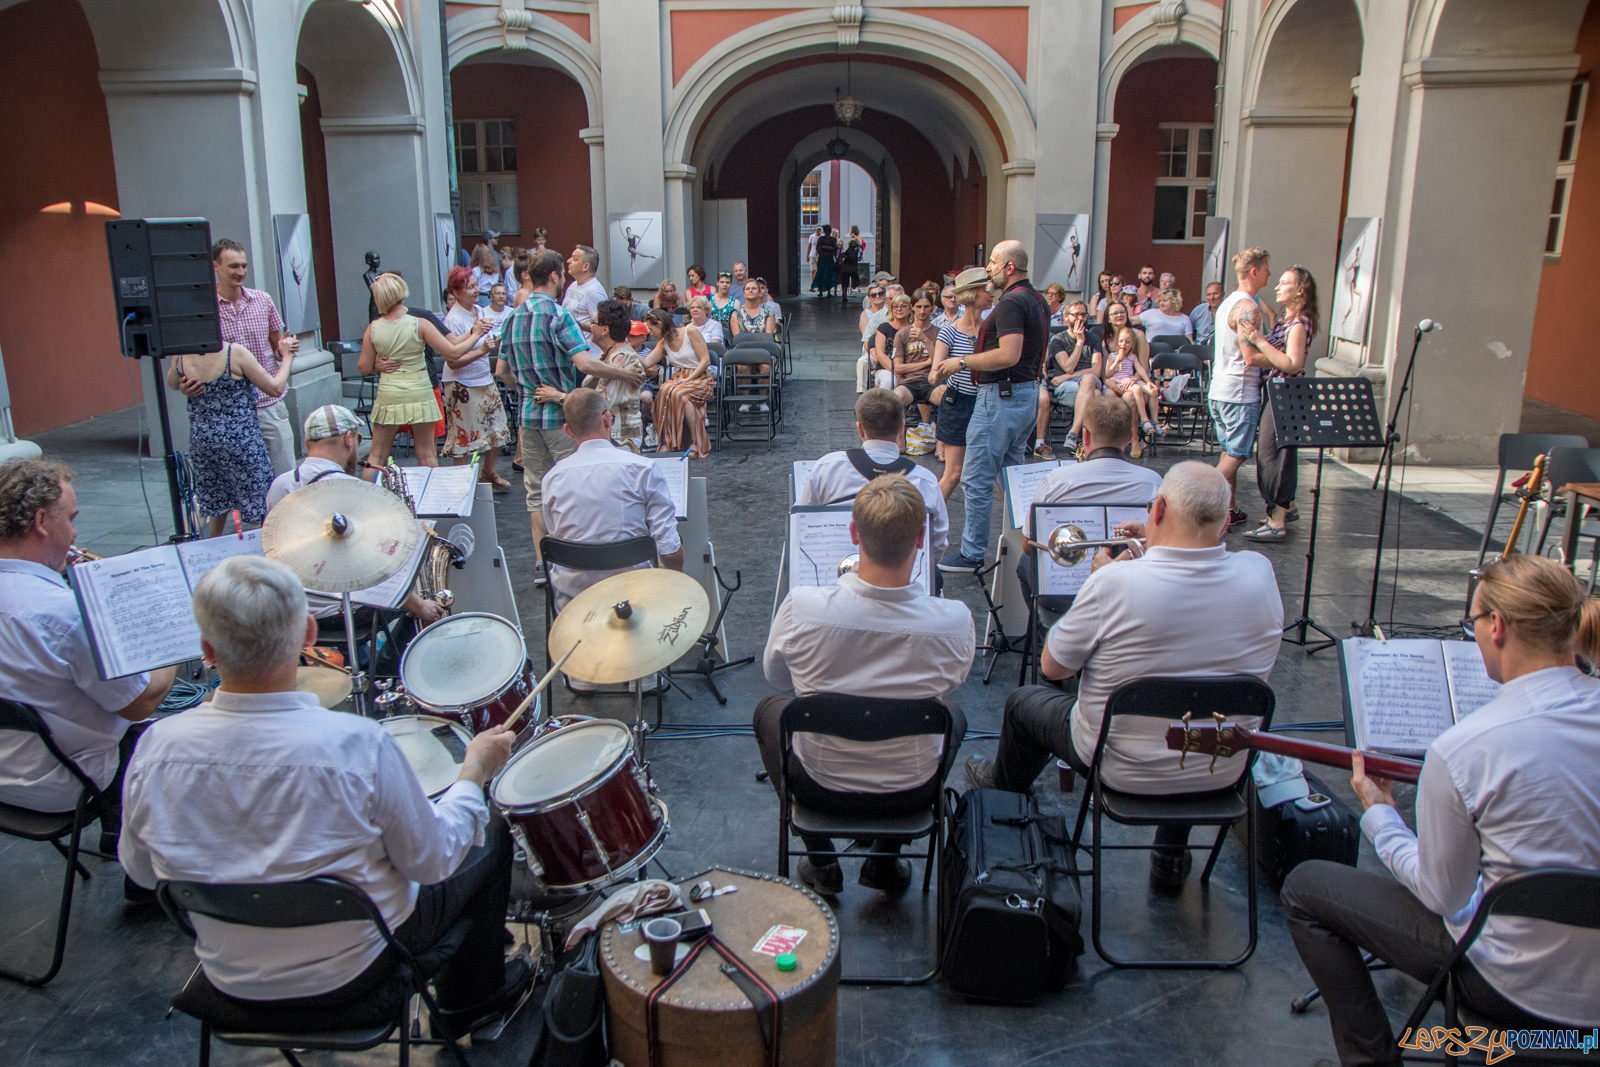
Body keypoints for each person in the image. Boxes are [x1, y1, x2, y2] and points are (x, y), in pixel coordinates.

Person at [118, 555, 530, 1038]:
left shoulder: (155, 748)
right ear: (310, 635)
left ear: (208, 649)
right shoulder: (359, 745)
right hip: (356, 972)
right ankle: (470, 1003)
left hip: (229, 975)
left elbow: (141, 872)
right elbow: (432, 862)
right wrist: (473, 774)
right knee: (488, 832)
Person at [1284, 554, 1600, 1065]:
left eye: (1472, 622)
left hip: (1517, 987)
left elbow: (1443, 895)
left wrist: (1381, 814)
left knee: (1307, 887)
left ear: (1497, 626)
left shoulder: (1464, 749)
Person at [966, 462, 1282, 888]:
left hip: (1119, 766)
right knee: (1195, 724)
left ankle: (1005, 811)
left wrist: (1106, 577)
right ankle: (1169, 856)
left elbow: (1053, 666)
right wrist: (1150, 549)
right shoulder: (1261, 574)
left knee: (1025, 704)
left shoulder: (1115, 583)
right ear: (1226, 522)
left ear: (1159, 509)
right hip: (1220, 766)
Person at [756, 475, 974, 895]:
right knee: (952, 716)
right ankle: (885, 860)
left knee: (771, 709)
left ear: (854, 532)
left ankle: (820, 860)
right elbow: (953, 682)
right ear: (921, 537)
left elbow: (777, 678)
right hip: (911, 793)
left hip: (819, 786)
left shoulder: (801, 607)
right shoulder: (955, 621)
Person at [0, 459, 176, 858]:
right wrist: (164, 639)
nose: (76, 533)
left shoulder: (50, 606)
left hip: (6, 764)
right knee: (169, 735)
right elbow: (140, 702)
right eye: (72, 518)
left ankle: (121, 831)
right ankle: (144, 872)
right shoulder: (62, 614)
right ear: (42, 522)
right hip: (56, 782)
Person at [500, 251, 643, 572]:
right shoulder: (557, 316)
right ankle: (576, 559)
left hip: (527, 417)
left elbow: (502, 372)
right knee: (575, 486)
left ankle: (543, 564)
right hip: (559, 419)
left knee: (536, 495)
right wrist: (622, 372)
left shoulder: (511, 317)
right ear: (553, 277)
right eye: (561, 274)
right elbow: (583, 362)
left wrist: (525, 389)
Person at [265, 405, 447, 649]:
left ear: (308, 443)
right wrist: (420, 605)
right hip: (341, 612)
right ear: (348, 440)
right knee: (415, 600)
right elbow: (380, 570)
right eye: (358, 437)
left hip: (291, 608)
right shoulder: (355, 492)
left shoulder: (280, 485)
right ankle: (390, 670)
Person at [935, 239, 1048, 571]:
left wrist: (963, 363)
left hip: (1002, 397)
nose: (989, 270)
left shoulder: (1013, 302)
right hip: (1024, 394)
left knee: (976, 478)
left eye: (993, 264)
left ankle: (972, 554)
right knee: (1012, 478)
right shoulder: (1037, 299)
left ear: (1009, 267)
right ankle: (1018, 543)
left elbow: (1009, 354)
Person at [540, 388, 683, 612]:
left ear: (568, 430)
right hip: (635, 601)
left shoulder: (552, 478)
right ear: (607, 419)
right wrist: (678, 583)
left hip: (574, 607)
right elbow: (670, 550)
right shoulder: (642, 468)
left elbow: (557, 537)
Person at [1019, 396, 1165, 609]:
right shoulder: (1153, 481)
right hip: (1131, 592)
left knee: (1025, 564)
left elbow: (1028, 545)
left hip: (1067, 593)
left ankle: (1045, 633)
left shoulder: (1056, 479)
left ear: (1085, 436)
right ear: (1130, 437)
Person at [797, 389, 950, 563]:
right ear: (901, 427)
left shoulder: (828, 467)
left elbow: (802, 521)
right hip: (904, 578)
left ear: (860, 429)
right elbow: (937, 544)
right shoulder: (926, 481)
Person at [168, 338, 295, 535]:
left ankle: (208, 554)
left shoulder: (181, 355)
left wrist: (186, 385)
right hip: (240, 440)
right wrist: (287, 357)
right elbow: (275, 388)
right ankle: (258, 555)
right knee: (257, 505)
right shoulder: (234, 353)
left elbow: (172, 383)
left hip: (203, 440)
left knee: (213, 502)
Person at [359, 273, 485, 471]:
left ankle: (369, 497)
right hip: (419, 391)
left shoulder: (373, 328)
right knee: (427, 455)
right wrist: (476, 335)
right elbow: (452, 350)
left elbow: (364, 368)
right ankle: (431, 499)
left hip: (389, 392)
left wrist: (378, 365)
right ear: (402, 292)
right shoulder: (419, 323)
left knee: (377, 454)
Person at [207, 238, 297, 477]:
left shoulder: (262, 300)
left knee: (285, 475)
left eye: (244, 266)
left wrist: (285, 349)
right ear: (215, 266)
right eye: (233, 266)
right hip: (230, 408)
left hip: (268, 403)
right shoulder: (207, 308)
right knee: (244, 479)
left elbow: (275, 348)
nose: (241, 272)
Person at [1242, 267, 1318, 541]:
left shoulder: (1299, 325)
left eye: (1284, 283)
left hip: (1286, 395)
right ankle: (1286, 509)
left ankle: (1277, 521)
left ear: (1300, 290)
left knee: (1275, 456)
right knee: (1270, 453)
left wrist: (1258, 341)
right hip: (1275, 392)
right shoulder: (1287, 320)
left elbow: (1292, 363)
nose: (1278, 286)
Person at [1209, 247, 1273, 530]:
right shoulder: (1248, 308)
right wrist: (1284, 360)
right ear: (1255, 271)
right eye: (1268, 268)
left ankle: (1229, 509)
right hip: (1238, 391)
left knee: (1228, 451)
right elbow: (1250, 357)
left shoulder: (1228, 302)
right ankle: (1195, 502)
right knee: (1237, 453)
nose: (1271, 273)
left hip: (1221, 390)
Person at [440, 269, 513, 490]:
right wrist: (481, 350)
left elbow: (487, 341)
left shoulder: (479, 310)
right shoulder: (453, 319)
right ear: (456, 291)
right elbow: (453, 360)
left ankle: (488, 472)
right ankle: (460, 484)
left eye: (475, 285)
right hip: (462, 383)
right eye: (470, 287)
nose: (476, 290)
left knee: (497, 427)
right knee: (464, 439)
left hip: (483, 379)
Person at [927, 268, 989, 501]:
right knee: (954, 473)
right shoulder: (949, 332)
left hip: (986, 402)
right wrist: (943, 372)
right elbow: (934, 375)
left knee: (991, 472)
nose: (991, 294)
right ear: (972, 294)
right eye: (986, 290)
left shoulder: (990, 329)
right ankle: (925, 523)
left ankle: (1018, 529)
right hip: (959, 402)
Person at [640, 307, 714, 458]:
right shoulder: (663, 343)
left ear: (659, 324)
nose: (650, 332)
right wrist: (627, 348)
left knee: (678, 393)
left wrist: (689, 378)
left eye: (651, 328)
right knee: (663, 392)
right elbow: (646, 363)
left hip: (700, 378)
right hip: (679, 379)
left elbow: (705, 360)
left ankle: (695, 442)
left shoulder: (690, 332)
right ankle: (666, 442)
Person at [1035, 300, 1105, 457]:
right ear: (1066, 316)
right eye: (1076, 314)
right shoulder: (1058, 339)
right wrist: (1080, 343)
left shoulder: (1094, 338)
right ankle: (1087, 442)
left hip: (1084, 381)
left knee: (1089, 379)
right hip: (1067, 387)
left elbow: (1096, 370)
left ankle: (1073, 433)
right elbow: (1068, 366)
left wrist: (1069, 375)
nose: (1080, 318)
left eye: (1084, 314)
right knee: (1097, 397)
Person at [579, 300, 645, 448]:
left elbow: (600, 401)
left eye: (593, 322)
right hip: (612, 434)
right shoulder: (609, 353)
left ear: (605, 330)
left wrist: (560, 398)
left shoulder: (621, 356)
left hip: (621, 438)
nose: (590, 326)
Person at [1103, 326, 1160, 457]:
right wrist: (1117, 361)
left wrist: (1149, 381)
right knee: (1136, 388)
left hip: (1129, 381)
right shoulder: (1113, 356)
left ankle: (1154, 422)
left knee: (1152, 391)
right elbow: (1107, 373)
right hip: (1118, 382)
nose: (1124, 344)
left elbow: (1140, 370)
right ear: (1117, 342)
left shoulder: (1133, 357)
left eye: (1127, 342)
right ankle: (1144, 419)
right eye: (1121, 341)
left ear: (1132, 344)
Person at [891, 290, 940, 425]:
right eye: (918, 306)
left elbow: (939, 362)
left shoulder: (939, 333)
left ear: (932, 308)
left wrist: (925, 339)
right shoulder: (902, 335)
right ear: (912, 307)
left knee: (951, 398)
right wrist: (926, 363)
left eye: (926, 306)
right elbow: (899, 368)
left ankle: (941, 442)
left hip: (932, 382)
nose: (922, 311)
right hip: (909, 383)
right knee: (894, 400)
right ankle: (900, 444)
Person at [563, 244, 607, 356]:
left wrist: (574, 323)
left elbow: (603, 327)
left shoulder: (594, 292)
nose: (568, 261)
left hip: (589, 355)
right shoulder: (573, 285)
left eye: (574, 259)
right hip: (572, 353)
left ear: (585, 266)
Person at [871, 294, 913, 391]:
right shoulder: (884, 328)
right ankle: (884, 406)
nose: (899, 309)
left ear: (910, 309)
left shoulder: (914, 329)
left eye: (903, 306)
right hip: (886, 369)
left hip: (910, 369)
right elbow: (880, 354)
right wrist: (896, 371)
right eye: (896, 306)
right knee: (889, 381)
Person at [854, 284, 890, 392]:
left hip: (888, 348)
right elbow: (866, 337)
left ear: (885, 296)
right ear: (869, 298)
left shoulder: (890, 313)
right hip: (872, 349)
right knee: (862, 361)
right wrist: (875, 354)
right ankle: (862, 392)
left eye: (880, 293)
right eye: (874, 295)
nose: (877, 296)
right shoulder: (866, 314)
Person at [469, 242, 501, 306]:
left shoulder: (476, 270)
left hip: (481, 297)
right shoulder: (495, 270)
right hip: (493, 297)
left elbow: (472, 285)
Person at [811, 225, 839, 296]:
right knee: (823, 274)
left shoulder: (829, 239)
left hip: (827, 259)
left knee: (827, 274)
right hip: (825, 259)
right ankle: (823, 291)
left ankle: (825, 291)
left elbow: (835, 249)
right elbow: (818, 248)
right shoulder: (823, 239)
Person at [838, 226, 863, 301]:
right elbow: (860, 245)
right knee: (855, 279)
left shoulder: (848, 251)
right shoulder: (855, 252)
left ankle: (844, 295)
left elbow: (842, 256)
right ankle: (854, 287)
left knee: (845, 282)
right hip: (853, 268)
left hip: (846, 269)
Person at [363, 251, 383, 322]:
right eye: (375, 259)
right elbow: (373, 289)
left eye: (378, 259)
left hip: (383, 302)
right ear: (369, 261)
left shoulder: (381, 273)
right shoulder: (367, 275)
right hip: (375, 303)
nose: (378, 261)